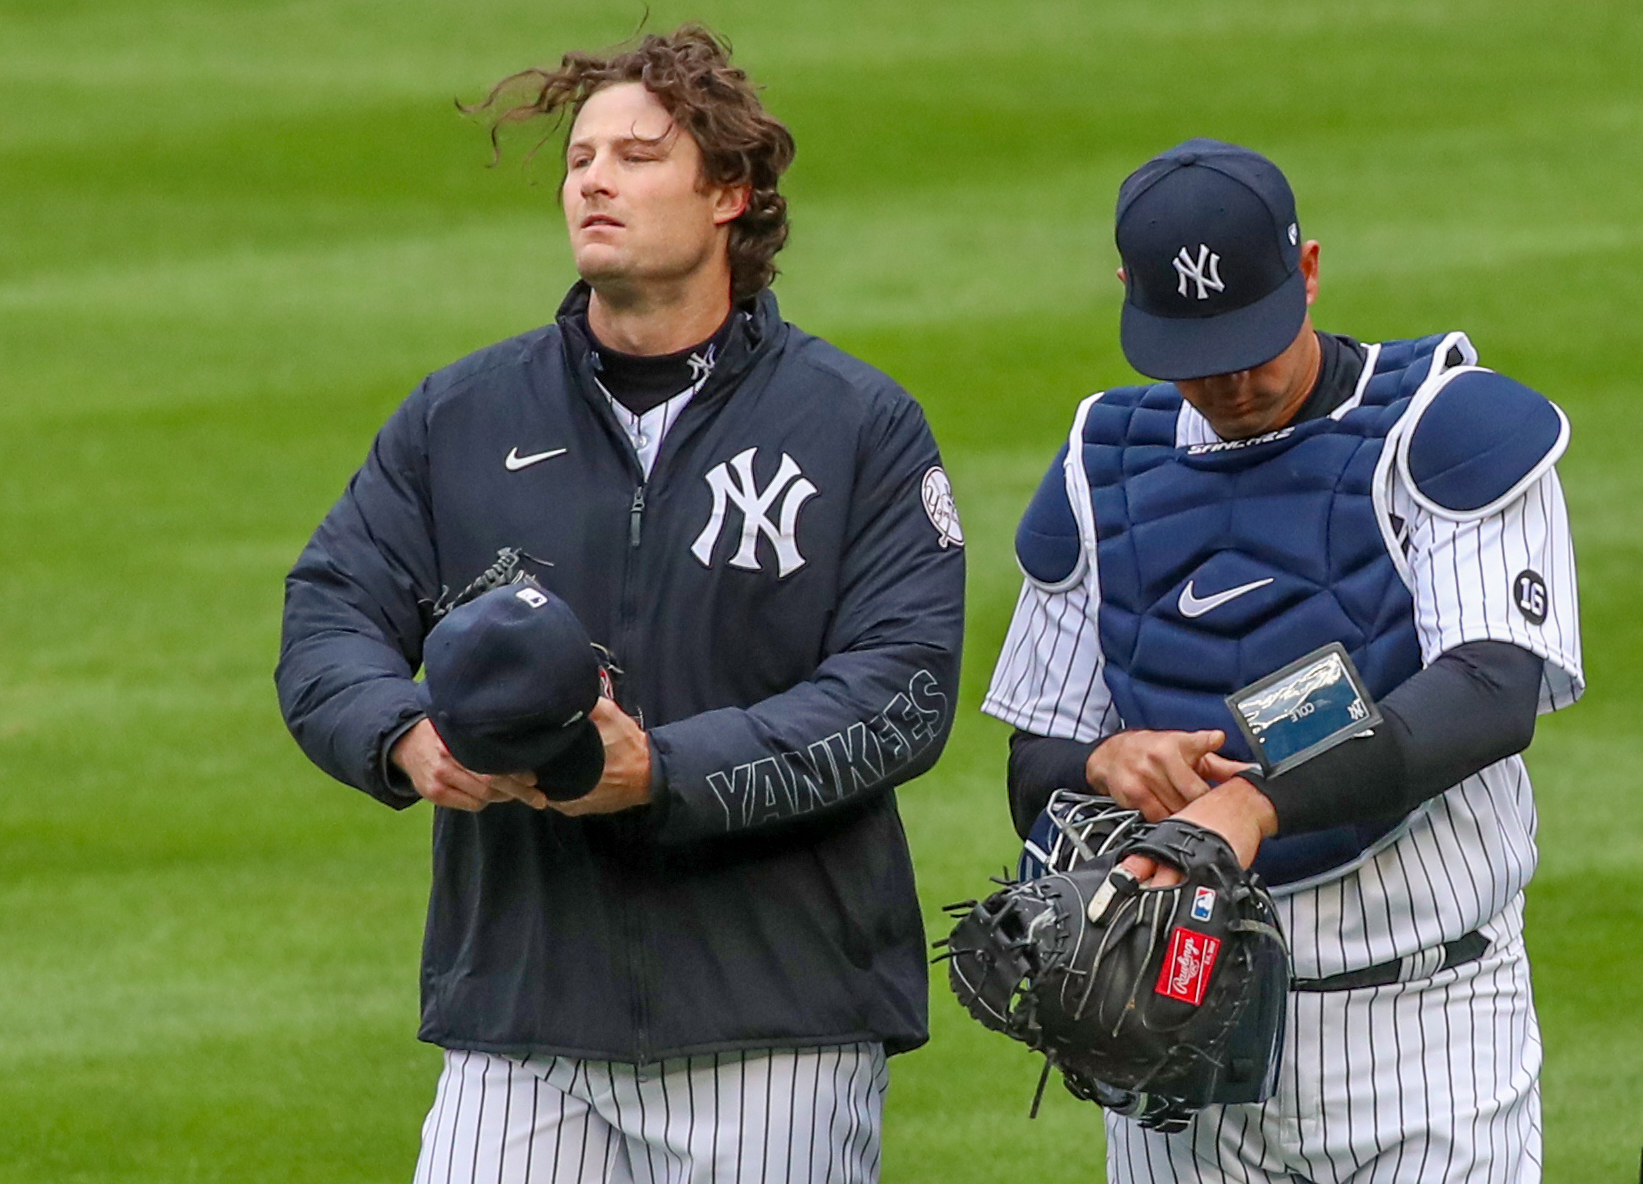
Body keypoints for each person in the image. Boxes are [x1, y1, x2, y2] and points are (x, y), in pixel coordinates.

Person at [276, 26, 965, 1183]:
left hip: (771, 1021)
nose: (592, 177)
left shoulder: (855, 427)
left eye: (638, 155)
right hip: (521, 1008)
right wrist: (402, 738)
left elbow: (901, 689)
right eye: (580, 157)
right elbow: (330, 611)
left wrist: (664, 771)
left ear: (730, 196)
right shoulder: (465, 415)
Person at [982, 138, 1581, 1182]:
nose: (1228, 377)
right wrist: (1103, 762)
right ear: (1130, 297)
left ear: (1306, 271)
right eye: (1191, 348)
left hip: (1423, 1029)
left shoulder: (1439, 425)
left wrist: (1253, 803)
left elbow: (1489, 691)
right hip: (1178, 1030)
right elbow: (1033, 755)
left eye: (1250, 337)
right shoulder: (1101, 463)